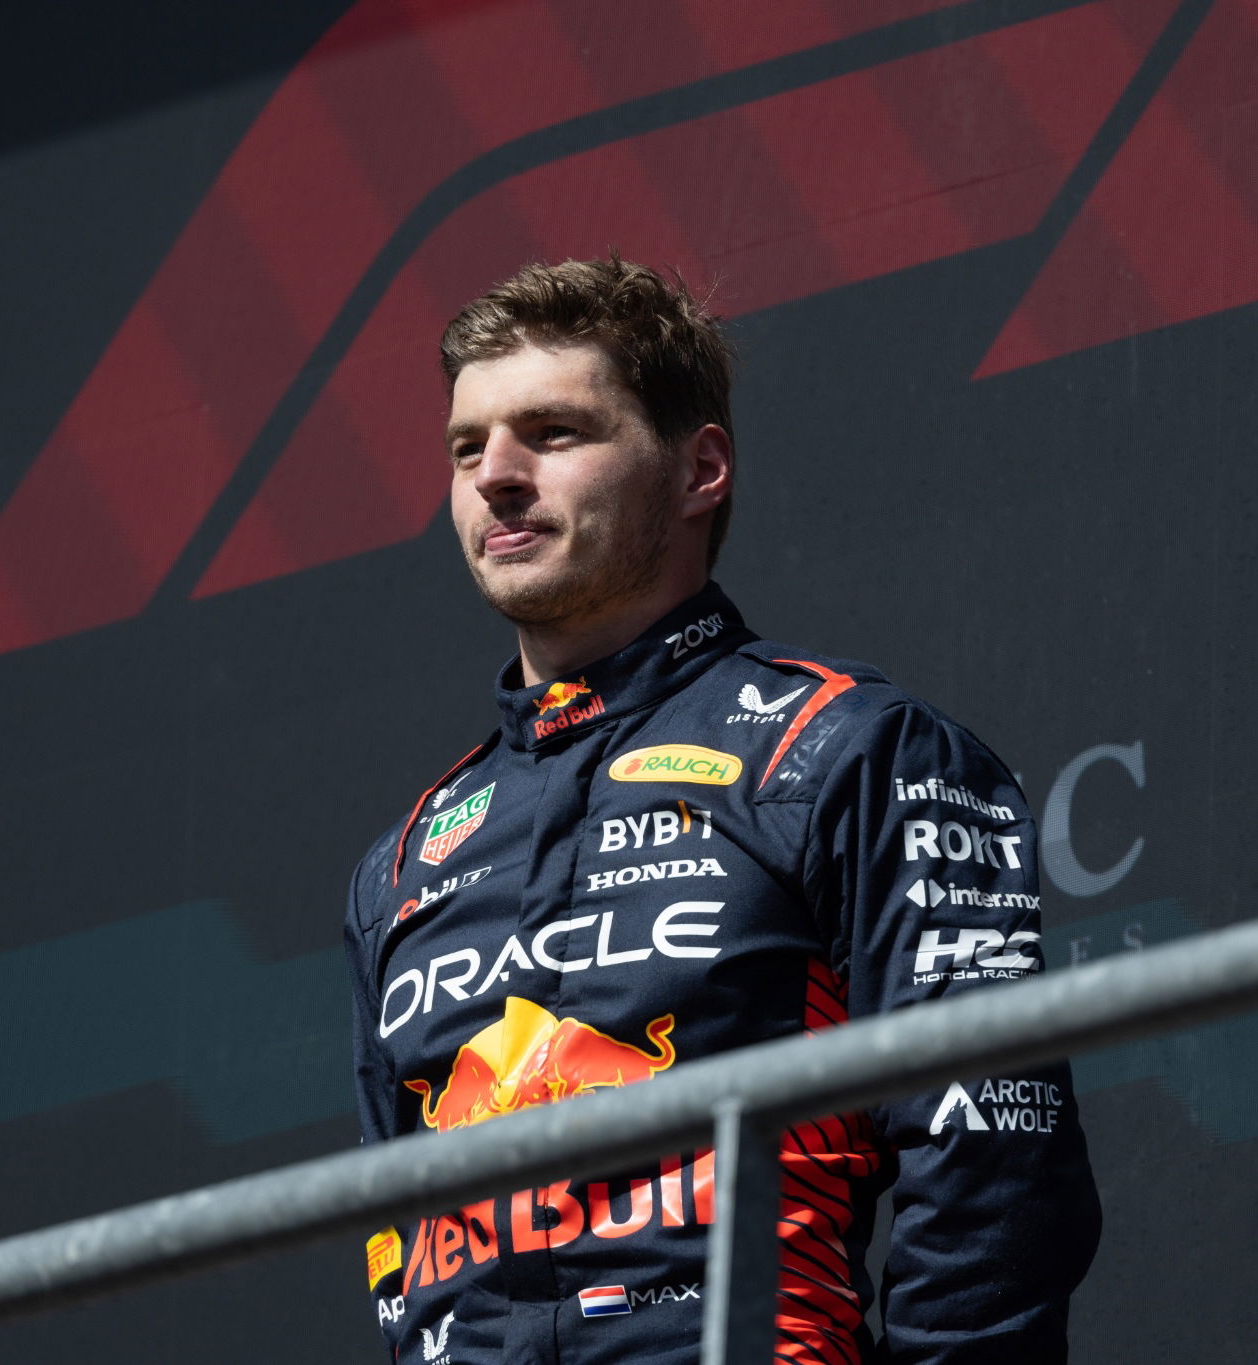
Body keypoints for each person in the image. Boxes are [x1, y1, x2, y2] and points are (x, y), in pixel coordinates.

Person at [343, 255, 1099, 1365]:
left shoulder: (842, 748)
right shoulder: (404, 860)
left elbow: (992, 1157)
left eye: (552, 432)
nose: (495, 475)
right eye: (468, 446)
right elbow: (395, 1256)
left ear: (700, 469)